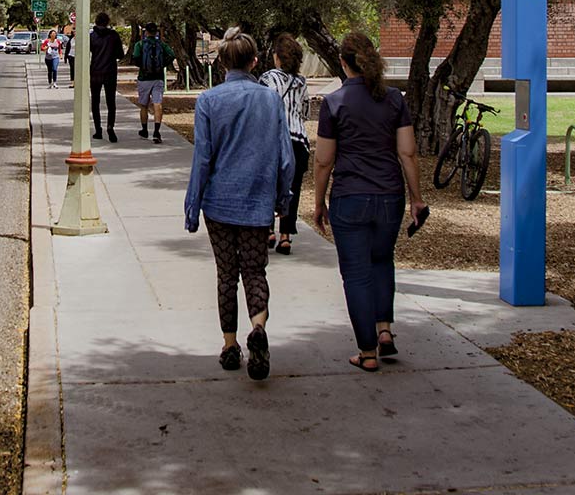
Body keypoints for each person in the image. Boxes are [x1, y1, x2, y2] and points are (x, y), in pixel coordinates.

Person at [311, 31, 426, 373]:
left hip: (350, 196)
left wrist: (318, 204)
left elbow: (323, 161)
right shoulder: (394, 100)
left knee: (357, 274)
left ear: (344, 64)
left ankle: (367, 351)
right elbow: (407, 152)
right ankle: (384, 328)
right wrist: (417, 199)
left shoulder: (334, 103)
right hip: (390, 195)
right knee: (381, 261)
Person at [182, 32, 294, 381]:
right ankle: (258, 326)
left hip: (219, 202)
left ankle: (230, 345)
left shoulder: (208, 101)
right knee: (255, 271)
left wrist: (192, 205)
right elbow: (285, 157)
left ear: (222, 63)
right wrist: (282, 197)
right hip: (257, 200)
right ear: (255, 62)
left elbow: (202, 158)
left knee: (227, 274)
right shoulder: (270, 100)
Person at [260, 34, 311, 255]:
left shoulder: (267, 78)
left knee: (269, 185)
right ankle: (286, 236)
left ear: (278, 57)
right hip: (298, 141)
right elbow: (306, 112)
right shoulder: (301, 82)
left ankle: (268, 230)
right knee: (293, 189)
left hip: (273, 139)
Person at [131, 24, 174, 143]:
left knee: (143, 105)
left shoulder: (139, 45)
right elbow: (172, 55)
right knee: (157, 104)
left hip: (144, 78)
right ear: (156, 32)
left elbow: (135, 58)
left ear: (146, 32)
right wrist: (161, 65)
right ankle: (156, 131)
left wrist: (144, 67)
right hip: (158, 77)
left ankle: (144, 130)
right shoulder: (162, 44)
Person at [88, 13, 123, 143]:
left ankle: (98, 129)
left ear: (96, 22)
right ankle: (110, 127)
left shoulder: (91, 37)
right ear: (108, 22)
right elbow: (120, 54)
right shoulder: (114, 36)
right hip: (110, 71)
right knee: (111, 102)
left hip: (95, 71)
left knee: (95, 101)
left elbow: (88, 52)